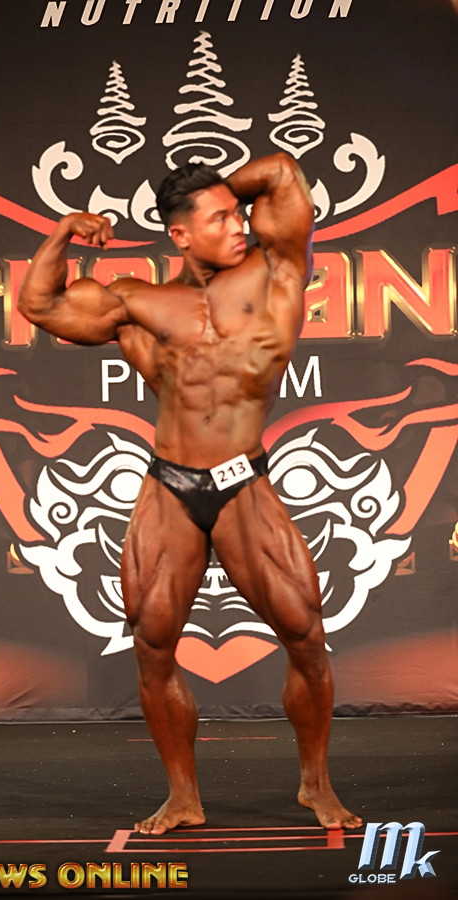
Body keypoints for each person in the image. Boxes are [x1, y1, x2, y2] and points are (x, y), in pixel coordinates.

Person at [18, 152, 363, 836]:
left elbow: (283, 175)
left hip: (243, 482)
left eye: (238, 214)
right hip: (170, 487)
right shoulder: (137, 303)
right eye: (220, 220)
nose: (239, 226)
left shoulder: (275, 271)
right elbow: (41, 304)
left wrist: (212, 192)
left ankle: (316, 783)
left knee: (305, 635)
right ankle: (182, 797)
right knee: (152, 644)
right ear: (179, 234)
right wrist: (62, 231)